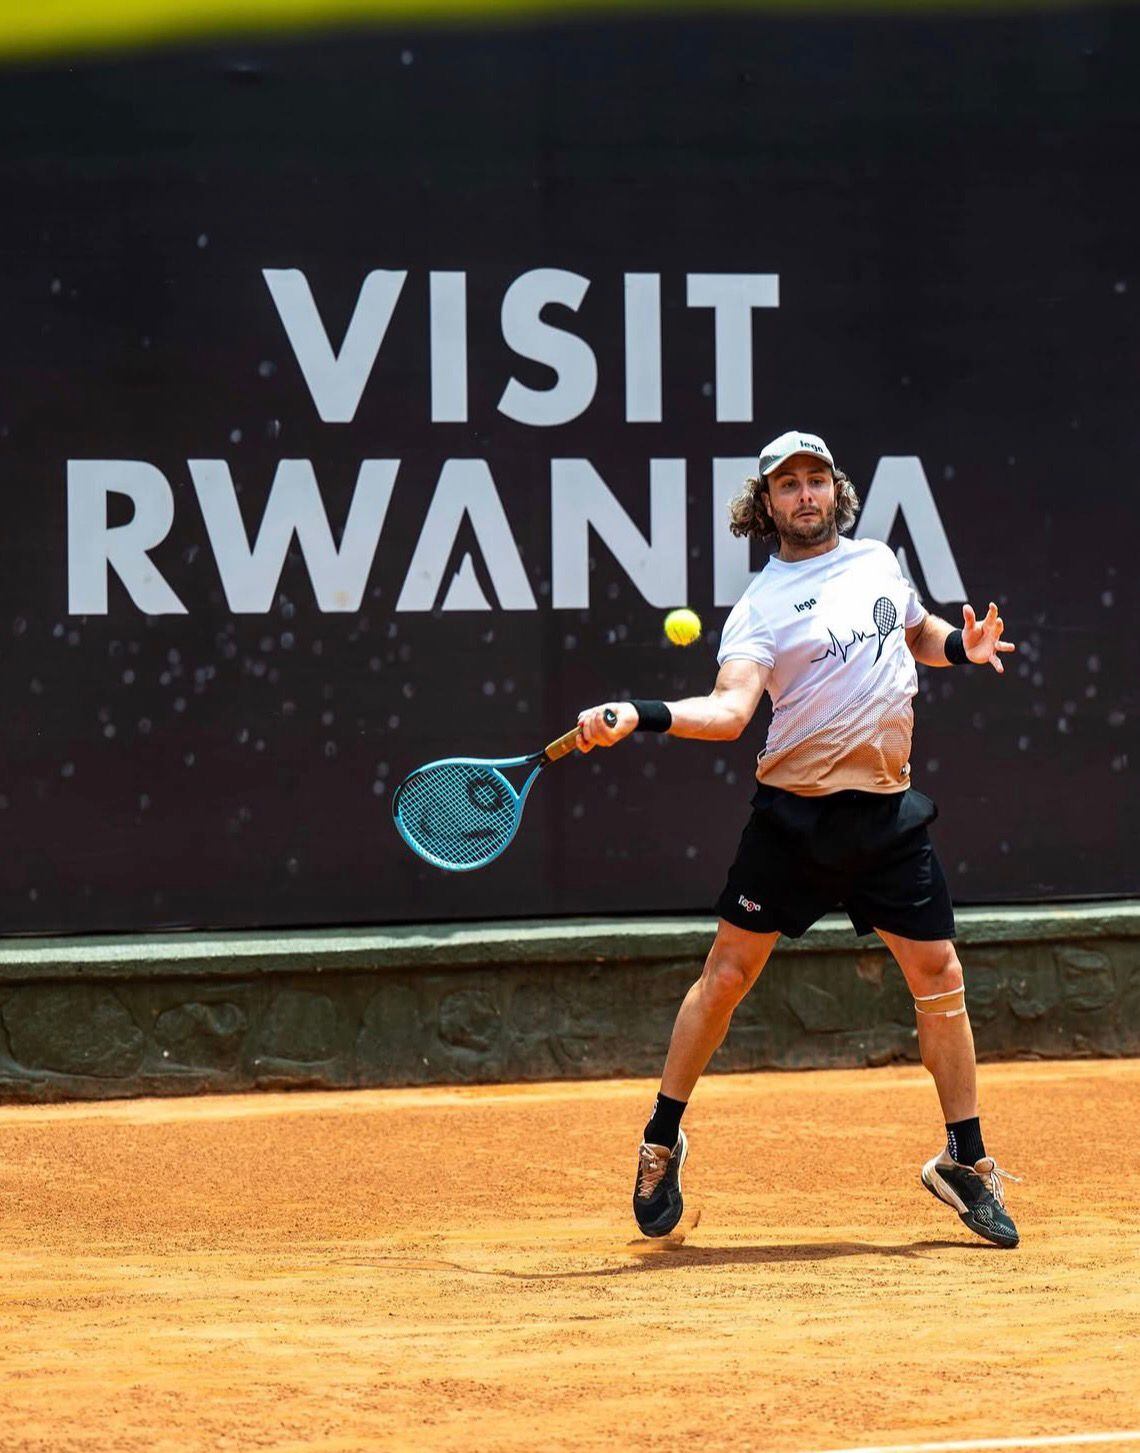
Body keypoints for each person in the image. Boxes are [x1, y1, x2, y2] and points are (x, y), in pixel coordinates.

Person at [575, 430, 1021, 1249]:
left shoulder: (878, 561)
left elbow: (915, 631)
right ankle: (661, 1140)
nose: (806, 495)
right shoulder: (761, 607)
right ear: (767, 504)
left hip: (887, 817)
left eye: (817, 480)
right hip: (795, 820)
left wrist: (961, 647)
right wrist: (643, 713)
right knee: (728, 975)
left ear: (836, 492)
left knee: (940, 972)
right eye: (789, 485)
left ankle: (966, 1161)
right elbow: (731, 713)